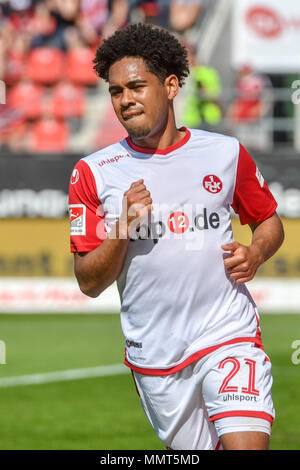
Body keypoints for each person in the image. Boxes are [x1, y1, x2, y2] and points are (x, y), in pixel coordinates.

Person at [68, 23, 284, 450]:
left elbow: (269, 222)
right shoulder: (92, 172)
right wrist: (122, 228)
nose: (125, 100)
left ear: (170, 86)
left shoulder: (225, 153)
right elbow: (89, 282)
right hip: (156, 356)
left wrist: (256, 252)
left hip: (228, 333)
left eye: (135, 86)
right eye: (115, 92)